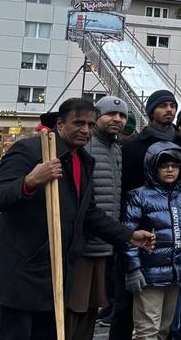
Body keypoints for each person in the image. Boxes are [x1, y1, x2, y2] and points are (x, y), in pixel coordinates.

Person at [0, 98, 154, 340]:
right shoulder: (30, 150)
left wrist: (128, 236)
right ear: (60, 125)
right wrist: (30, 181)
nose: (85, 130)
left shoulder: (82, 160)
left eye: (90, 125)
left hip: (59, 271)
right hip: (22, 270)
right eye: (78, 123)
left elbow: (89, 212)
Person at [122, 142, 181, 340]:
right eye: (164, 165)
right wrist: (133, 269)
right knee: (147, 330)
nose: (170, 169)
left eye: (175, 166)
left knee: (164, 329)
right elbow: (128, 236)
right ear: (152, 167)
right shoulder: (138, 196)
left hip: (177, 273)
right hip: (149, 275)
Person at [67, 96, 126, 340]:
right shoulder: (85, 148)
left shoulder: (117, 149)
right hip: (83, 244)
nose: (117, 119)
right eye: (111, 114)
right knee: (74, 308)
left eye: (122, 115)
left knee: (91, 309)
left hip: (104, 245)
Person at [121, 90, 180, 198]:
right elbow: (124, 186)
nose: (169, 110)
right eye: (163, 106)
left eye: (172, 106)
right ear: (152, 112)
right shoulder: (133, 146)